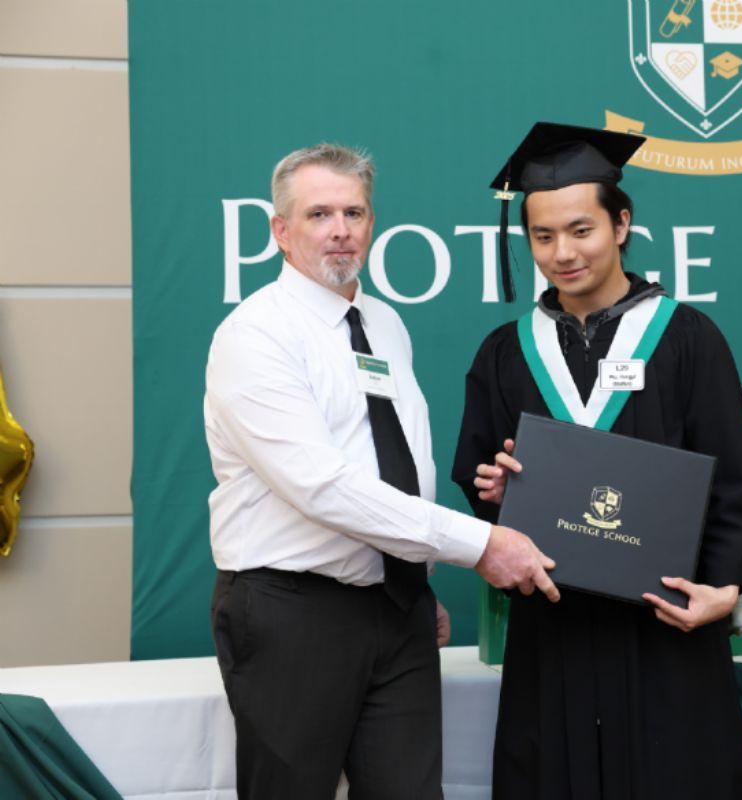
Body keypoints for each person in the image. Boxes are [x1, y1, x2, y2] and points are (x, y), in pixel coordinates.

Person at [204, 142, 559, 800]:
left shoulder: (385, 324)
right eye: (318, 215)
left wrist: (409, 578)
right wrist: (478, 544)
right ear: (281, 230)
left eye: (354, 213)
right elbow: (321, 486)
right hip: (293, 614)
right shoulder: (254, 335)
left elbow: (394, 460)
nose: (340, 230)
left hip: (397, 613)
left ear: (372, 223)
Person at [451, 122, 742, 800]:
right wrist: (496, 497)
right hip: (555, 626)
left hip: (664, 624)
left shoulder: (686, 338)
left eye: (582, 230)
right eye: (542, 236)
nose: (562, 253)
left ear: (621, 223)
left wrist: (724, 590)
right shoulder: (506, 352)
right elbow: (480, 478)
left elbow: (734, 480)